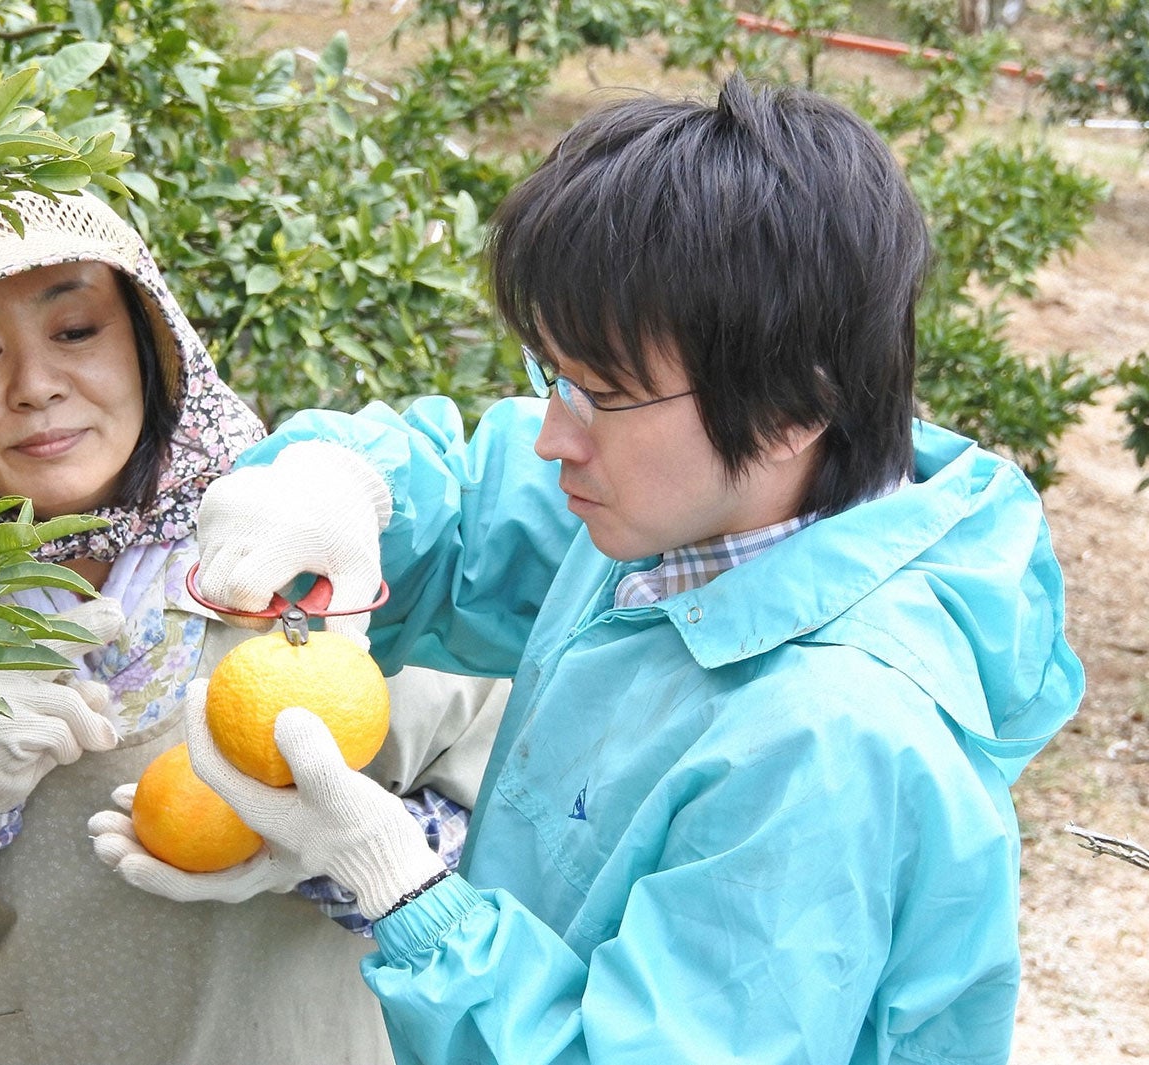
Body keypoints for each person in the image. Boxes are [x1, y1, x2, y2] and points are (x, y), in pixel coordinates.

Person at [149, 76, 1085, 1064]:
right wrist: (340, 482)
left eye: (600, 393)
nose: (554, 435)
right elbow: (472, 507)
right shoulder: (690, 517)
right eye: (553, 375)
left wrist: (402, 891)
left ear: (787, 407)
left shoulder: (827, 746)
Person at [0, 188, 508, 1065]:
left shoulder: (314, 546)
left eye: (77, 330)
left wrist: (338, 844)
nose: (36, 385)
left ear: (152, 347)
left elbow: (515, 879)